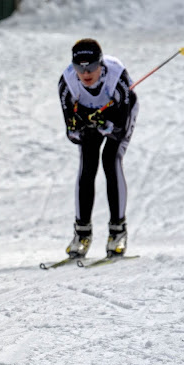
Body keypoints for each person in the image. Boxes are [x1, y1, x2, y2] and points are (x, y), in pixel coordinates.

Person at [58, 38, 139, 258]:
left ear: (101, 64)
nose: (86, 73)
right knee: (88, 165)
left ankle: (117, 231)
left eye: (92, 66)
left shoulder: (116, 77)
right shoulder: (67, 84)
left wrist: (105, 123)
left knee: (110, 160)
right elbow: (71, 132)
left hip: (119, 113)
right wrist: (78, 128)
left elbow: (120, 125)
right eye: (80, 67)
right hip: (89, 116)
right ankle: (82, 234)